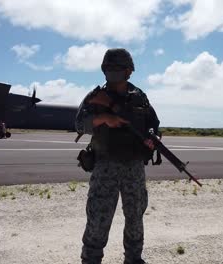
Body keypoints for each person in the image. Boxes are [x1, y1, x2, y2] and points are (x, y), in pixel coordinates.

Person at [75, 48, 160, 264]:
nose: (114, 73)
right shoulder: (96, 97)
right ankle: (91, 259)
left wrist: (152, 137)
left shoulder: (139, 97)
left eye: (119, 69)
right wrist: (103, 118)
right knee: (98, 218)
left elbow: (153, 124)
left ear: (129, 71)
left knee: (135, 217)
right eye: (109, 68)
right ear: (104, 70)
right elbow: (78, 124)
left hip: (134, 166)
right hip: (105, 166)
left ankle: (134, 258)